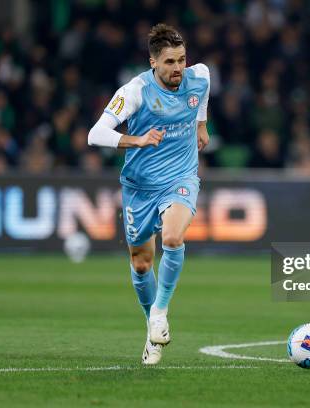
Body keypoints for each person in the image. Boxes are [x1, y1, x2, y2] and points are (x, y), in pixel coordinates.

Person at [87, 23, 210, 365]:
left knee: (172, 237)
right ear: (153, 62)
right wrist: (136, 140)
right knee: (141, 263)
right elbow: (95, 134)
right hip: (140, 187)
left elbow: (203, 92)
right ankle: (151, 329)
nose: (178, 69)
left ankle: (160, 311)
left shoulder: (199, 76)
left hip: (181, 177)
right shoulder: (136, 91)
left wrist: (201, 124)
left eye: (182, 60)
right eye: (170, 62)